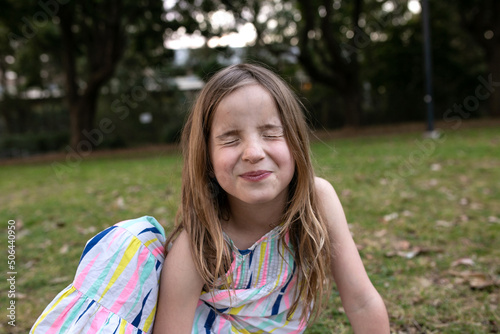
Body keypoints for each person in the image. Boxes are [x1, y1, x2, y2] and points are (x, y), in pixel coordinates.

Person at [31, 63, 389, 333]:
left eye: (270, 133)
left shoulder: (318, 200)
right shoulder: (199, 241)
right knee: (133, 245)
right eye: (231, 139)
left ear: (295, 140)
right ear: (206, 157)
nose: (252, 152)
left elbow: (361, 300)